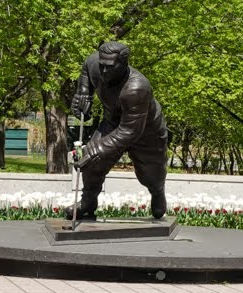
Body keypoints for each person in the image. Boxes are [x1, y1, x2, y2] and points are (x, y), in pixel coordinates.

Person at [69, 40, 169, 219]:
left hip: (146, 131)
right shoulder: (96, 65)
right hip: (113, 122)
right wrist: (83, 91)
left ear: (123, 64)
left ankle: (157, 192)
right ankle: (88, 200)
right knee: (91, 162)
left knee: (150, 174)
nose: (104, 71)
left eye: (110, 67)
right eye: (102, 66)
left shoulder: (137, 88)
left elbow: (130, 131)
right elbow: (86, 67)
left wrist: (99, 148)